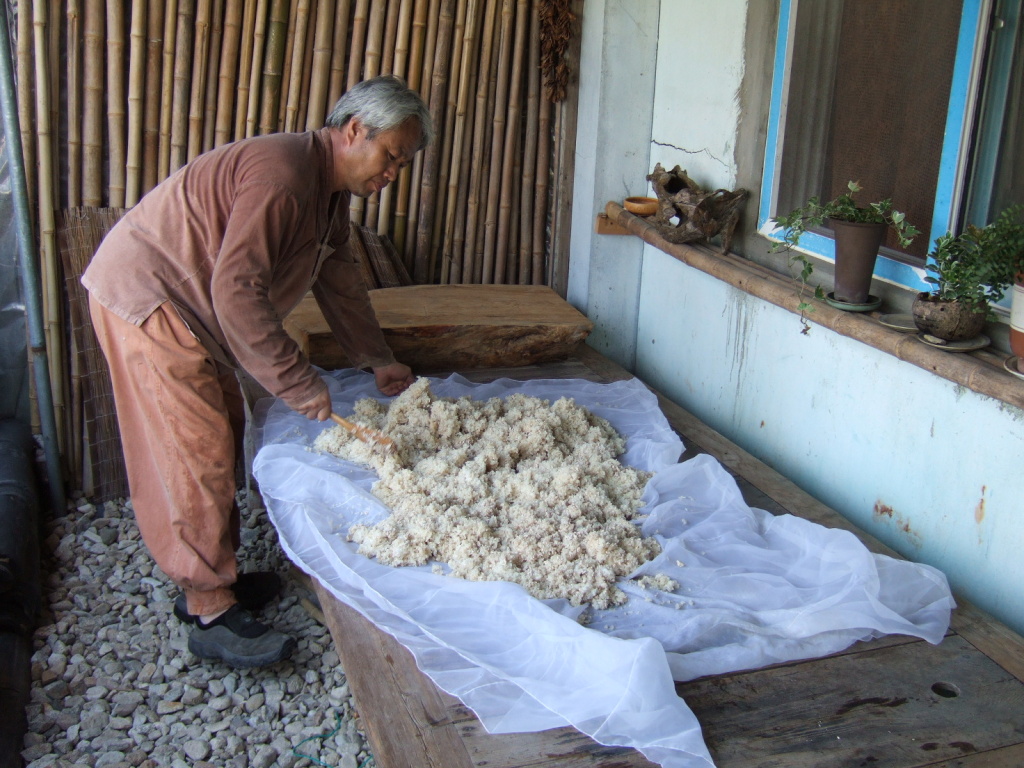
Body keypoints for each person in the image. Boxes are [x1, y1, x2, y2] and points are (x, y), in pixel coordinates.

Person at [83, 75, 432, 668]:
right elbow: (237, 290)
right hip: (151, 299)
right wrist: (299, 384)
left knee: (219, 429)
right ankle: (207, 607)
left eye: (401, 163)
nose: (392, 173)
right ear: (353, 131)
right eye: (391, 156)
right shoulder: (285, 177)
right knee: (195, 448)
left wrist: (375, 359)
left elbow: (338, 276)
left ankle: (218, 574)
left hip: (185, 308)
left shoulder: (326, 192)